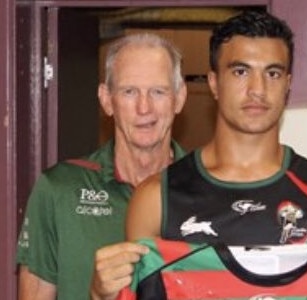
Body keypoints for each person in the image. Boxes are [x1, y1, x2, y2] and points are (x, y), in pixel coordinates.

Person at [91, 10, 307, 300]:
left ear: (288, 85)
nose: (257, 89)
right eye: (241, 71)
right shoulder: (155, 198)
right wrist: (100, 295)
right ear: (214, 82)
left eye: (272, 73)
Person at [16, 33, 188, 300]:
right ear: (107, 99)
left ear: (179, 98)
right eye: (129, 92)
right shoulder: (59, 190)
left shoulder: (209, 189)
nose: (145, 107)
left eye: (158, 91)